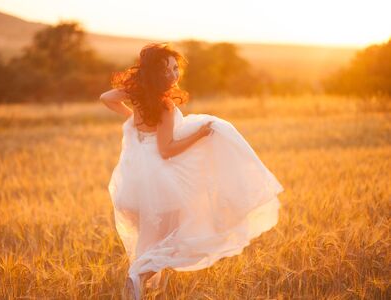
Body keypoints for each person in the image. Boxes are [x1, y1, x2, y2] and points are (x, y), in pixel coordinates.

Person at [100, 42, 284, 300]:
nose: (174, 75)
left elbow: (106, 98)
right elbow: (166, 149)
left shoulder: (140, 94)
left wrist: (132, 116)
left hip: (137, 176)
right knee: (176, 235)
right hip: (159, 177)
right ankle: (138, 275)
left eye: (176, 69)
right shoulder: (163, 105)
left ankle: (142, 284)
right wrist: (199, 135)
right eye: (167, 70)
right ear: (155, 73)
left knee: (152, 235)